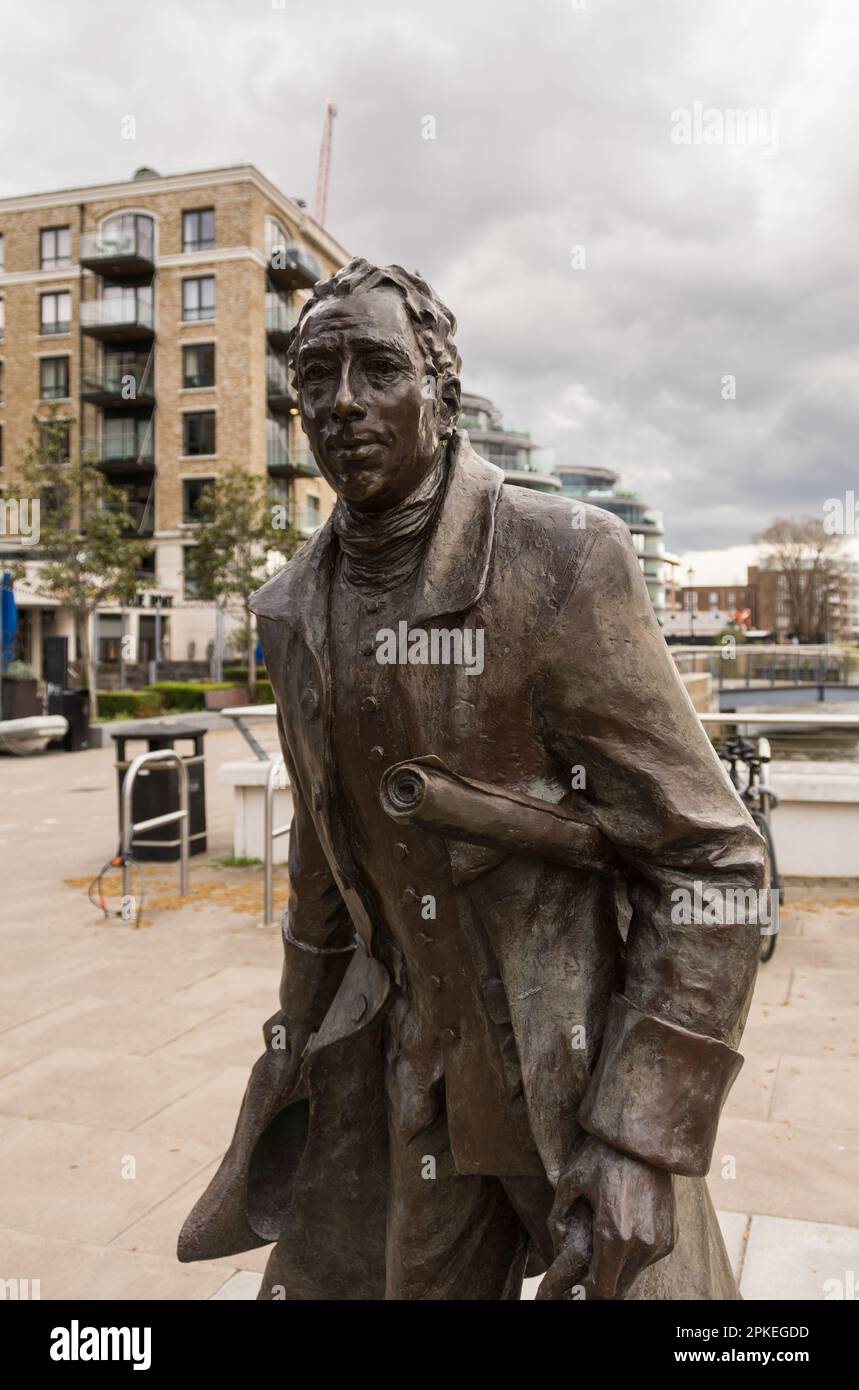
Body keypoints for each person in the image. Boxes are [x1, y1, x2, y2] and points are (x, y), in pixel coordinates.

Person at [179, 258, 766, 1300]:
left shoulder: (563, 559)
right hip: (404, 1076)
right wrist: (292, 1051)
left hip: (571, 1064)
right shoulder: (290, 610)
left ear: (443, 400)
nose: (343, 402)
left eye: (377, 369)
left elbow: (712, 864)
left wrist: (640, 1139)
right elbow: (323, 878)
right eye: (316, 376)